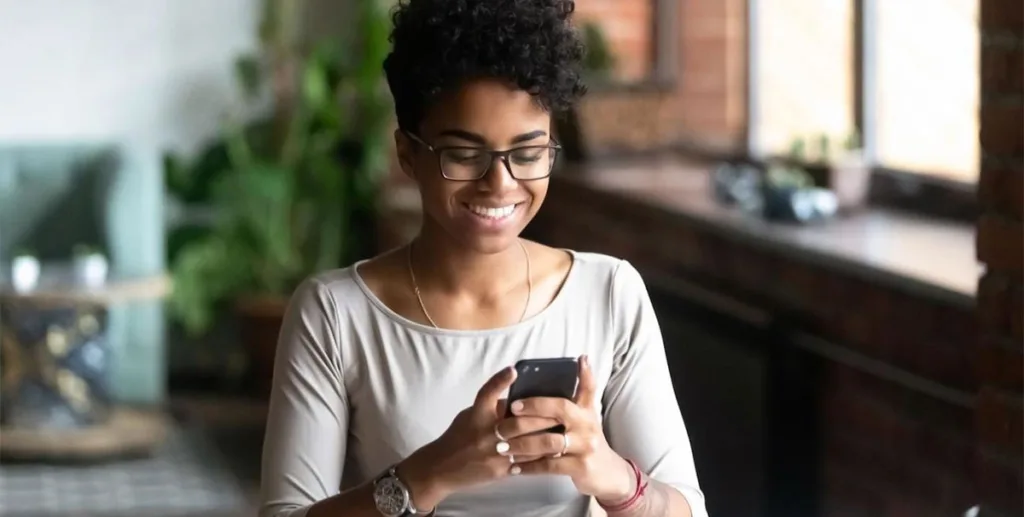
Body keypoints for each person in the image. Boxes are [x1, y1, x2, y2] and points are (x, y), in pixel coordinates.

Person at [259, 0, 707, 515]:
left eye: (529, 152)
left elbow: (687, 510)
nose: (500, 182)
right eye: (465, 154)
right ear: (408, 152)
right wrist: (430, 472)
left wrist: (611, 476)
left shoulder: (608, 294)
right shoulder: (334, 315)